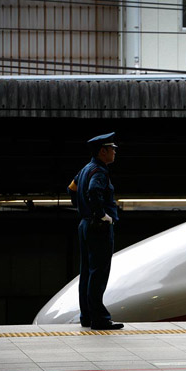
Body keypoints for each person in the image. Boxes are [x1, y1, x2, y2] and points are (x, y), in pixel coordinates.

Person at [67, 132, 124, 330]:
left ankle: (87, 316)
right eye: (112, 148)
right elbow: (93, 191)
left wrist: (82, 209)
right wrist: (100, 214)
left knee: (87, 273)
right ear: (103, 151)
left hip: (84, 225)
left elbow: (71, 189)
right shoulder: (99, 171)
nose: (115, 151)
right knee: (99, 273)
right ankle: (99, 318)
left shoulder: (85, 169)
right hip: (98, 227)